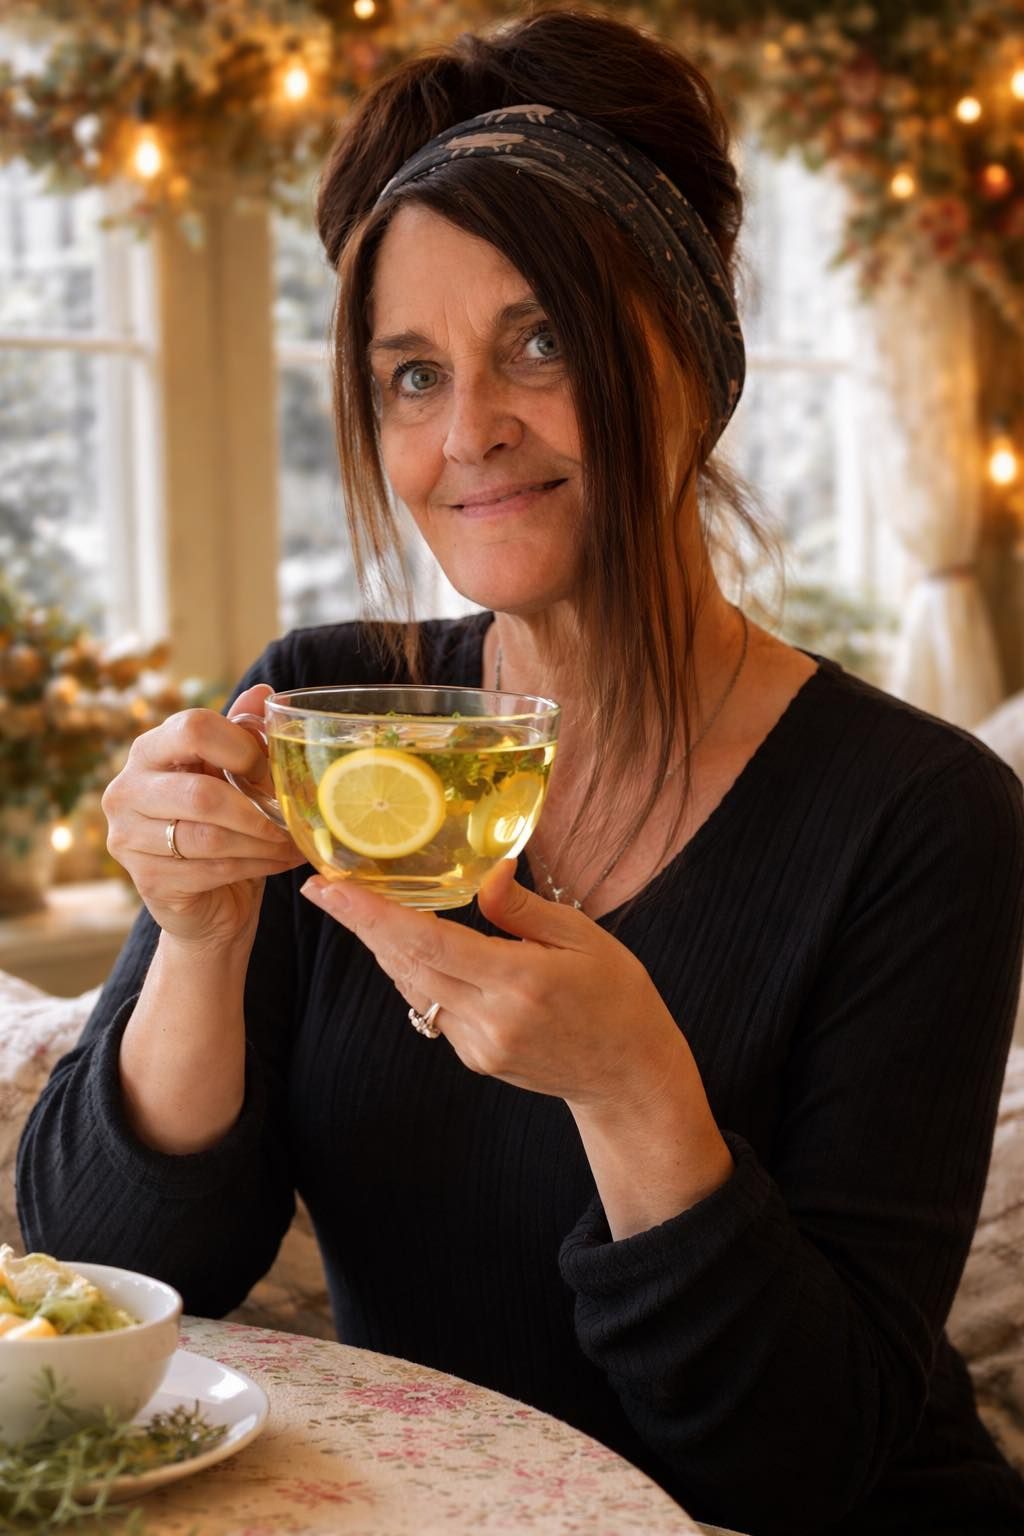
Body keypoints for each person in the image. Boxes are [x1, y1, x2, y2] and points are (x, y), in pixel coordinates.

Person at [16, 10, 1024, 1534]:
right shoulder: (324, 718)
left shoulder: (923, 817)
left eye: (541, 342)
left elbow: (805, 1463)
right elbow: (118, 1282)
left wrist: (636, 1097)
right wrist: (202, 944)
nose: (470, 433)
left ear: (692, 352)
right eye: (411, 375)